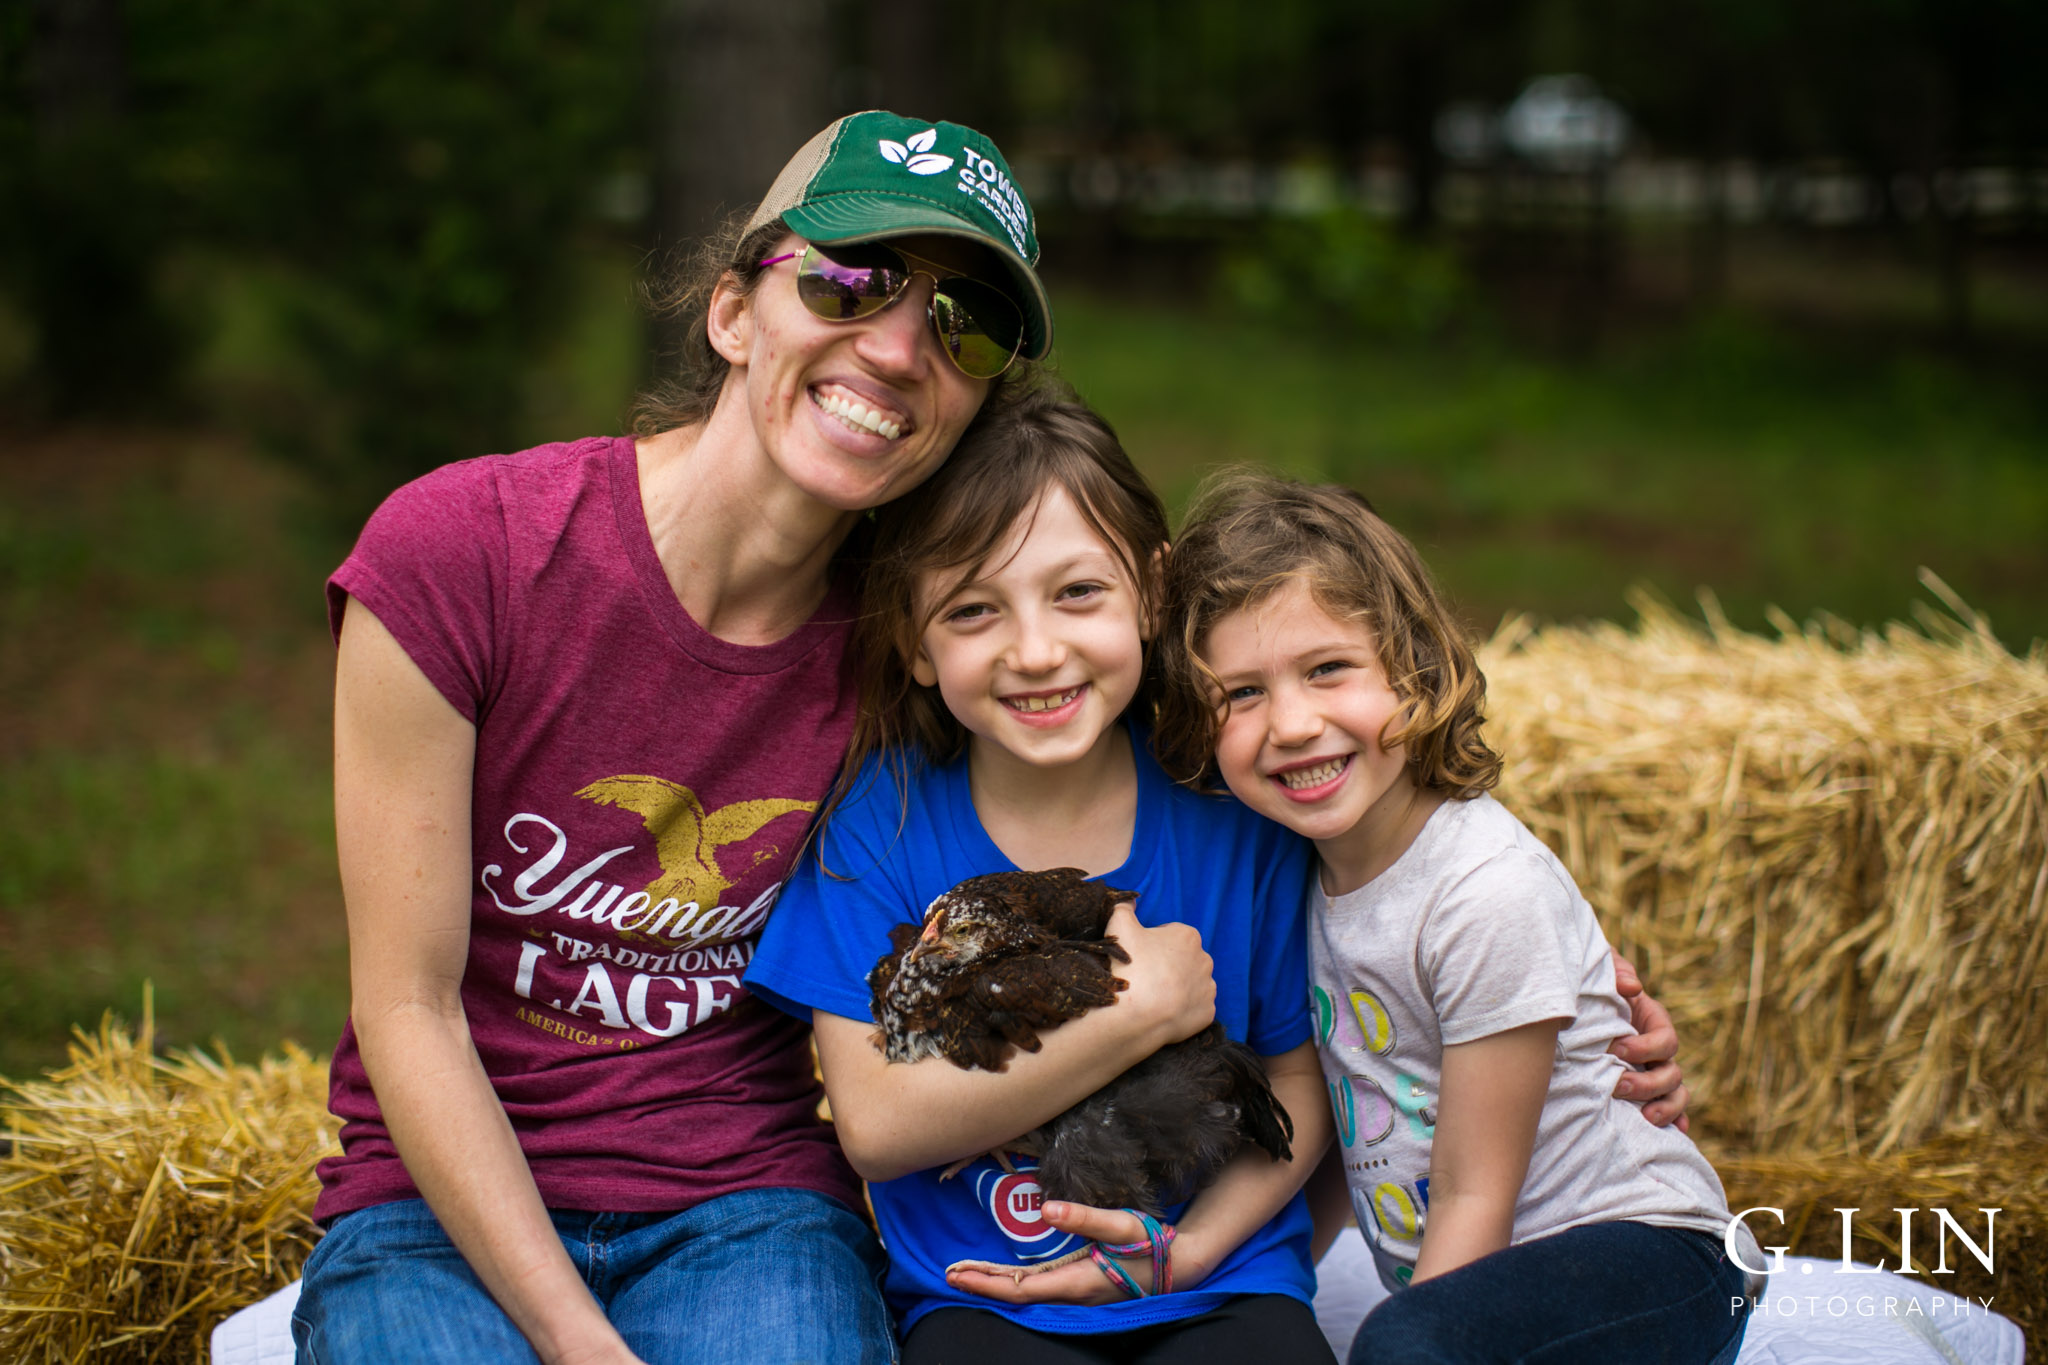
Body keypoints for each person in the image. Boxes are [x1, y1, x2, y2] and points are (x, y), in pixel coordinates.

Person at [292, 111, 1080, 1365]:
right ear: (730, 312)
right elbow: (408, 1011)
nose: (890, 347)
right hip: (432, 1216)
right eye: (849, 280)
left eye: (960, 322)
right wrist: (580, 1344)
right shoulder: (460, 555)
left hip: (745, 1210)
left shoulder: (924, 653)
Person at [743, 390, 1695, 1365]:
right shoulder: (881, 822)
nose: (1035, 650)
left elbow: (1363, 983)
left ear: (1150, 595)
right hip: (985, 1304)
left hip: (1224, 1283)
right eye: (974, 610)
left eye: (1077, 593)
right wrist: (1135, 1012)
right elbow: (875, 1126)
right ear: (911, 637)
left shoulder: (1236, 801)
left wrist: (1578, 988)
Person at [1153, 470, 1760, 1365]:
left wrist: (1418, 1341)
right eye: (1240, 693)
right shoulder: (1298, 876)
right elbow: (1352, 1124)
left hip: (1654, 1258)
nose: (1290, 721)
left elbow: (1474, 1193)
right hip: (1505, 1288)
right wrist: (1239, 1299)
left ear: (1413, 668)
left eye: (1328, 669)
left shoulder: (1481, 892)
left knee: (1403, 1345)